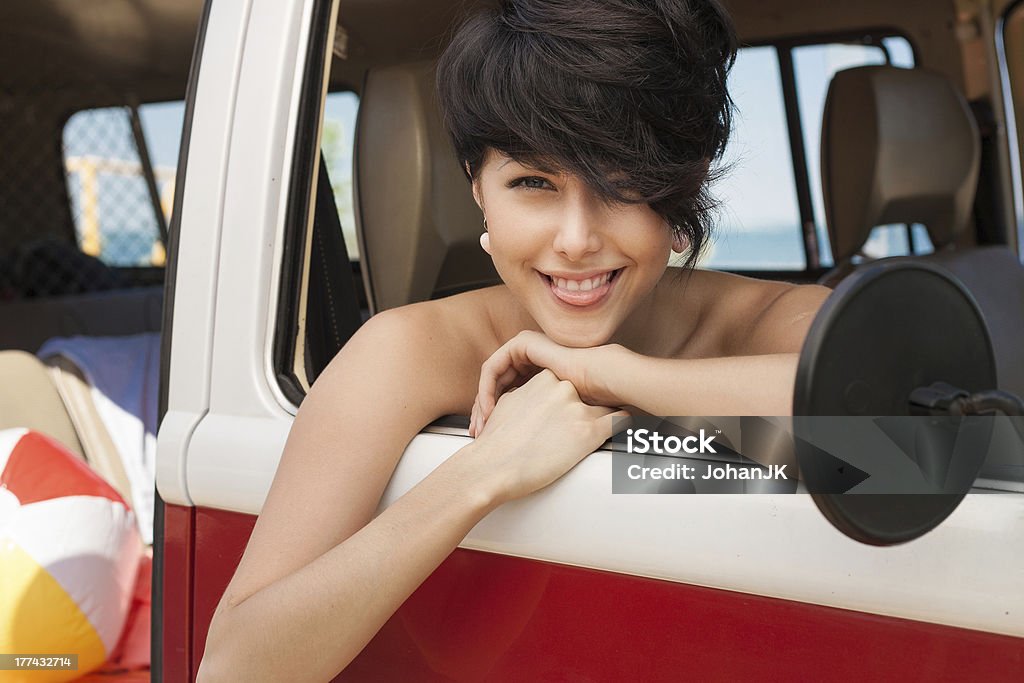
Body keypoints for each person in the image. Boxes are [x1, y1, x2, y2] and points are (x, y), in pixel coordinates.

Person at [197, 0, 830, 680]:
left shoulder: (780, 321)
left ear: (684, 184)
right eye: (533, 182)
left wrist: (613, 376)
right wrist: (483, 473)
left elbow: (911, 454)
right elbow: (235, 666)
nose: (578, 239)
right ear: (478, 189)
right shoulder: (407, 353)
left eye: (620, 185)